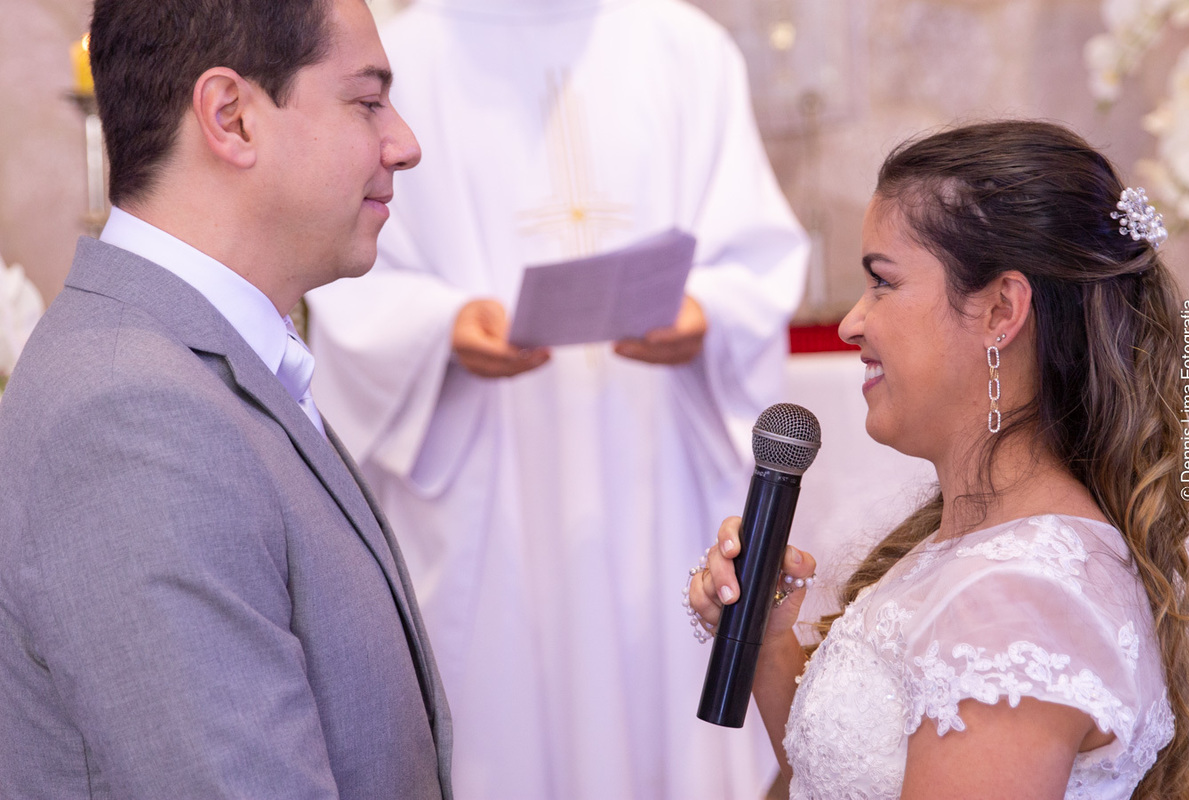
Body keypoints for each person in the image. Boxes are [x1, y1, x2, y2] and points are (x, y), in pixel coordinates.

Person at [303, 0, 808, 797]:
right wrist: (441, 328)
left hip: (657, 471)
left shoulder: (685, 49)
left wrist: (706, 313)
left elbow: (758, 258)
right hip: (488, 484)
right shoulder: (402, 58)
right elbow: (343, 274)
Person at [0, 0, 453, 797]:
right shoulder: (131, 416)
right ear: (231, 117)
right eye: (366, 101)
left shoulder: (197, 363)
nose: (404, 143)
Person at [688, 120, 1189, 799]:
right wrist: (767, 637)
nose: (851, 323)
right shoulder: (990, 549)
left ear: (1000, 310)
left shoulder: (1018, 599)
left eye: (882, 282)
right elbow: (845, 781)